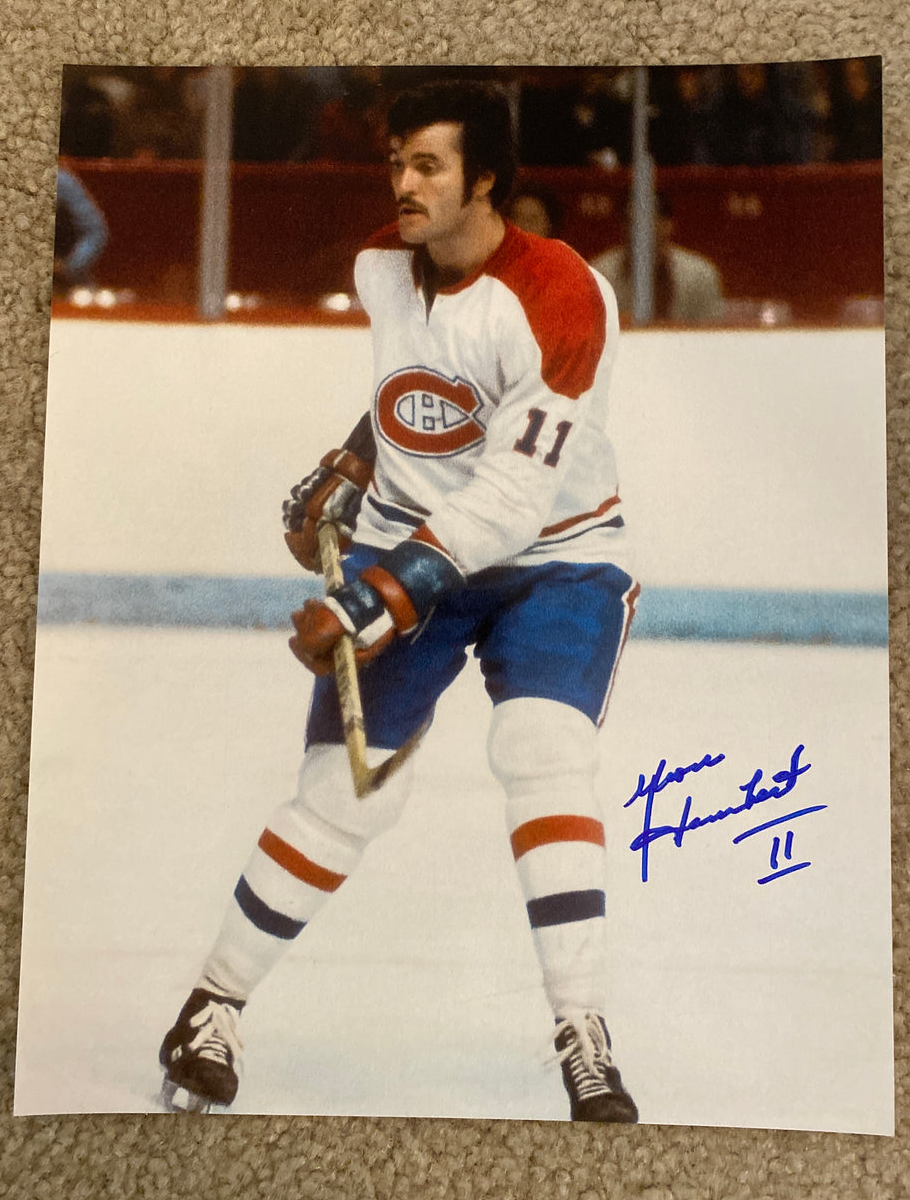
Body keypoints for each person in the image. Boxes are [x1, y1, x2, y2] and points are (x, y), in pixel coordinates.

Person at [159, 80, 641, 1123]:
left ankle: (582, 1031)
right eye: (396, 163)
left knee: (540, 752)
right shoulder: (381, 267)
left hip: (554, 558)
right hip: (407, 544)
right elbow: (420, 397)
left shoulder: (564, 297)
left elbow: (514, 495)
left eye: (425, 165)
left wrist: (383, 595)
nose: (402, 183)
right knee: (348, 794)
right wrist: (352, 457)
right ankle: (211, 1006)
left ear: (487, 180)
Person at [591, 192, 724, 325]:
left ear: (667, 225)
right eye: (631, 222)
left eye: (647, 221)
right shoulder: (601, 275)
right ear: (622, 227)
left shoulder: (699, 276)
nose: (638, 230)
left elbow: (712, 335)